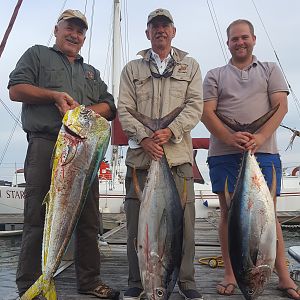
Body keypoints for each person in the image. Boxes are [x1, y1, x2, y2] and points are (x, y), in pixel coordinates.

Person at [8, 9, 119, 299]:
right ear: (56, 29)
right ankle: (29, 284)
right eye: (69, 28)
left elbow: (109, 105)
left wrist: (81, 113)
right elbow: (16, 89)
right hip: (46, 142)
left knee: (89, 218)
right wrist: (54, 96)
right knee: (36, 215)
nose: (75, 35)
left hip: (83, 149)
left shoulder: (90, 73)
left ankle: (90, 280)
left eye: (80, 31)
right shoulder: (37, 55)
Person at [202, 19, 300, 300]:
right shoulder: (214, 75)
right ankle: (231, 273)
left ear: (254, 39)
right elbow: (207, 113)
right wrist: (230, 137)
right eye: (234, 39)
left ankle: (283, 276)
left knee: (270, 217)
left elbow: (280, 108)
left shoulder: (270, 69)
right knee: (227, 214)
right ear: (228, 43)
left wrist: (259, 137)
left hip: (263, 151)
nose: (240, 42)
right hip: (223, 152)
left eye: (244, 37)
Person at [118, 8, 203, 300]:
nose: (160, 31)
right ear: (147, 33)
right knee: (136, 223)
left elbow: (195, 106)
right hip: (142, 159)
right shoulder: (132, 69)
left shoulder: (190, 66)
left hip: (177, 158)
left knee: (185, 225)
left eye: (165, 26)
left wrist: (172, 130)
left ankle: (187, 282)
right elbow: (123, 109)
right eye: (155, 27)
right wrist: (143, 137)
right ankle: (136, 280)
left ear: (173, 31)